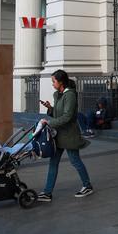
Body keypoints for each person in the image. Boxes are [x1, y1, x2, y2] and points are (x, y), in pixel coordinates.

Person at [38, 69, 94, 202]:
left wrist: (49, 123)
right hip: (58, 135)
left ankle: (87, 185)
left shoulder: (70, 95)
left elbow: (68, 117)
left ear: (61, 82)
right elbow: (59, 114)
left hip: (69, 135)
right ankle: (47, 192)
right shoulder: (59, 94)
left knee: (75, 161)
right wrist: (50, 108)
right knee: (53, 162)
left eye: (54, 81)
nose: (52, 84)